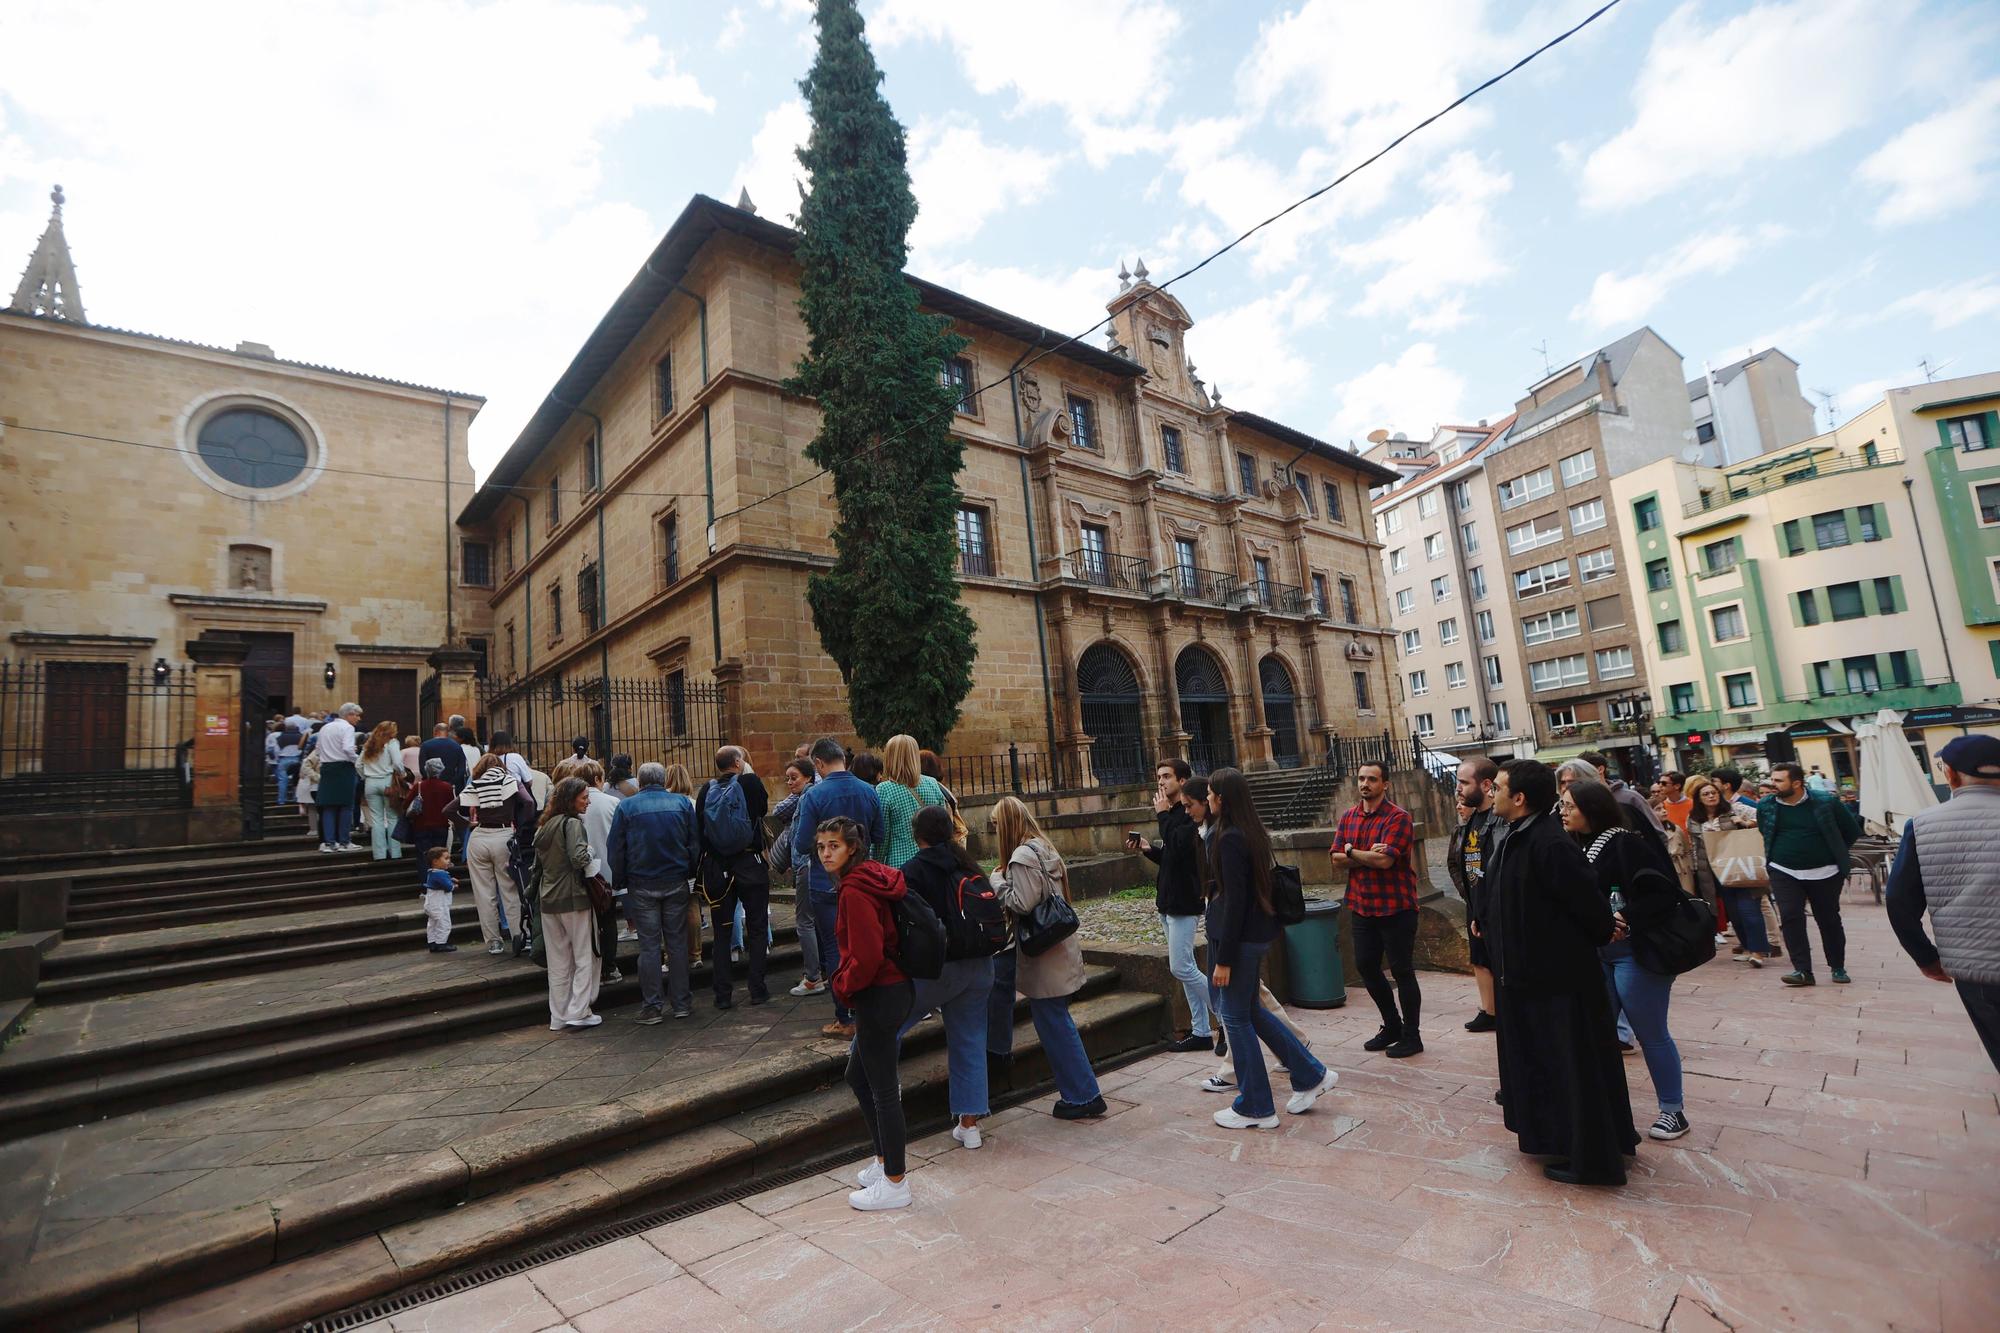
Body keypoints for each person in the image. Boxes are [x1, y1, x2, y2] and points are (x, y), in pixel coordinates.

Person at [1485, 759, 1638, 1186]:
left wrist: (1604, 927)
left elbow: (1587, 907)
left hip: (1558, 981)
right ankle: (1561, 1138)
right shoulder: (1522, 835)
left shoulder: (1549, 844)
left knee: (1574, 1069)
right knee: (1551, 1068)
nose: (1491, 793)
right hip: (1531, 980)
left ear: (1519, 797)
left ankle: (1593, 1159)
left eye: (1498, 787)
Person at [1204, 768, 1338, 1130]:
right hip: (1256, 933)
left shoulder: (1230, 837)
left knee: (1234, 1017)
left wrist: (1225, 959)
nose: (1207, 799)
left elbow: (1235, 901)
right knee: (1252, 1012)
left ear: (1223, 799)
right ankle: (1311, 1074)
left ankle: (1255, 1106)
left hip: (1241, 940)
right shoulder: (1249, 832)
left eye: (1211, 793)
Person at [1561, 776, 1691, 1142]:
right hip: (1598, 952)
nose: (1564, 812)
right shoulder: (1575, 843)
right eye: (1563, 805)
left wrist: (1626, 917)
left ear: (1592, 808)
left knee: (1650, 1032)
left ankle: (1673, 1110)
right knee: (1598, 1033)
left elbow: (1664, 893)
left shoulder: (1626, 843)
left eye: (1570, 805)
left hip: (1635, 952)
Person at [815, 816, 916, 1211]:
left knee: (884, 1090)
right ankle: (882, 1160)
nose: (826, 853)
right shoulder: (871, 877)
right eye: (822, 846)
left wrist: (842, 985)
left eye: (834, 846)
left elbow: (868, 954)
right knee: (857, 1075)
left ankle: (895, 1182)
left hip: (880, 993)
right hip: (892, 989)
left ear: (852, 848)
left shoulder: (854, 891)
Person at [1887, 734, 2000, 1071]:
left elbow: (1899, 901)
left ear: (1950, 775)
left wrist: (1925, 957)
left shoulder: (1923, 825)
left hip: (1976, 969)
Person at [991, 795, 1105, 1119]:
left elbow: (1022, 903)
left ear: (1008, 824)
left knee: (1055, 1026)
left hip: (1045, 956)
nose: (994, 831)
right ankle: (1080, 1092)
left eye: (997, 824)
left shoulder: (1021, 856)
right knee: (1057, 1023)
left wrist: (997, 882)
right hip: (1059, 948)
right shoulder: (1043, 845)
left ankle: (1084, 1095)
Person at [898, 805, 996, 1148]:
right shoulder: (968, 865)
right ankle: (970, 1125)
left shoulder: (912, 871)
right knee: (969, 1040)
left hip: (936, 968)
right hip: (980, 965)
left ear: (917, 835)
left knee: (885, 1026)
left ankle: (878, 1100)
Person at [791, 737, 884, 1039]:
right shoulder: (869, 791)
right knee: (863, 944)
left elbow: (803, 842)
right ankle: (865, 1011)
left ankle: (844, 1016)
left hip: (824, 881)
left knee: (834, 949)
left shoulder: (814, 796)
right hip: (862, 879)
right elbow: (879, 834)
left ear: (818, 764)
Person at [1330, 761, 1423, 1057]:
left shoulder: (1399, 818)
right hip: (1361, 904)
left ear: (1385, 784)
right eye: (1361, 778)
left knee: (1402, 970)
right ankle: (1391, 1025)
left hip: (1396, 906)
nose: (1365, 784)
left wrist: (1350, 851)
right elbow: (1335, 858)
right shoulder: (1348, 817)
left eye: (1372, 779)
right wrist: (1363, 853)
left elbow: (1385, 862)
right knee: (1366, 966)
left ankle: (1412, 1036)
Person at [1127, 757, 1213, 1053]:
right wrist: (1149, 850)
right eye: (1159, 777)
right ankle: (1201, 1031)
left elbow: (1178, 846)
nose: (1161, 782)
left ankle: (1230, 1013)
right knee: (1185, 967)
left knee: (1181, 967)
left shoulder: (1190, 813)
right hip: (1168, 899)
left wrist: (1162, 815)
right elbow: (1171, 858)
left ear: (1183, 780)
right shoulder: (1176, 813)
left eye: (1166, 776)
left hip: (1184, 902)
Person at [609, 762, 698, 1022]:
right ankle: (681, 1003)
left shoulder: (626, 806)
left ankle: (652, 1006)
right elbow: (694, 842)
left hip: (642, 882)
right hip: (675, 878)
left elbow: (616, 847)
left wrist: (620, 878)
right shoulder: (681, 804)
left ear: (640, 780)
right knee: (677, 944)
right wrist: (690, 870)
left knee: (649, 946)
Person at [1759, 761, 1861, 987]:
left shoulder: (1826, 802)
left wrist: (1832, 851)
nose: (1772, 784)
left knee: (1829, 919)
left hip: (1826, 871)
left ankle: (1837, 966)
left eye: (1778, 780)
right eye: (1772, 779)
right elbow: (1764, 830)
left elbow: (1851, 831)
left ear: (1796, 783)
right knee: (1790, 916)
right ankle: (1802, 970)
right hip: (1783, 870)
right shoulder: (1766, 805)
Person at [696, 745, 771, 1009]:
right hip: (750, 863)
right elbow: (762, 810)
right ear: (738, 762)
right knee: (758, 927)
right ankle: (757, 990)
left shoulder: (706, 790)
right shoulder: (750, 782)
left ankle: (722, 995)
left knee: (722, 934)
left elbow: (700, 830)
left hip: (719, 868)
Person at [533, 777, 602, 1032]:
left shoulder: (545, 826)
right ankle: (580, 1010)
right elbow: (578, 857)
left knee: (559, 962)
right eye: (584, 797)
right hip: (574, 897)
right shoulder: (572, 824)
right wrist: (592, 852)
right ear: (571, 799)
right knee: (585, 956)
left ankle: (559, 1016)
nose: (588, 801)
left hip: (548, 899)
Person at [1686, 776, 1773, 964]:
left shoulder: (1736, 809)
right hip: (1715, 870)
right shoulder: (1693, 819)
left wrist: (1746, 823)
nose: (1711, 796)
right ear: (1699, 799)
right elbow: (1694, 847)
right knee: (1734, 912)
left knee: (1748, 909)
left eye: (1714, 793)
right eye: (1706, 794)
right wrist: (1696, 870)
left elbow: (1764, 817)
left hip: (1742, 864)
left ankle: (1758, 952)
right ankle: (1748, 947)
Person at [1451, 757, 1506, 1034]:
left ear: (1486, 785)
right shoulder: (1471, 819)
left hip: (1494, 906)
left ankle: (1503, 1012)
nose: (1458, 789)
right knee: (1479, 958)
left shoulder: (1500, 819)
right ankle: (1489, 1011)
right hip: (1476, 902)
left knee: (1500, 961)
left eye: (1463, 782)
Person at [462, 754, 533, 955]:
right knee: (509, 890)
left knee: (484, 893)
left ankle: (494, 941)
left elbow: (451, 808)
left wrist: (465, 824)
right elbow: (528, 802)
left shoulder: (477, 783)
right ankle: (519, 935)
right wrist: (520, 827)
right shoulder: (509, 781)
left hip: (479, 837)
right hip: (503, 835)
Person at [768, 757, 826, 997]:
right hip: (815, 866)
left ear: (809, 777)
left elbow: (802, 838)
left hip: (807, 865)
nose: (790, 782)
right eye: (788, 778)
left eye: (794, 777)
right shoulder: (813, 795)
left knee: (804, 922)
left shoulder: (807, 798)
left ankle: (813, 977)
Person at [573, 759, 623, 985]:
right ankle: (609, 968)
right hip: (608, 872)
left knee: (586, 924)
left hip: (581, 872)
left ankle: (589, 969)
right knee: (609, 920)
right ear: (597, 779)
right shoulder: (613, 802)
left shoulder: (572, 804)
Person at [873, 734, 949, 868]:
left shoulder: (884, 790)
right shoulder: (932, 783)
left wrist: (876, 863)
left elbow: (882, 838)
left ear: (890, 758)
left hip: (901, 865)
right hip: (933, 862)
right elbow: (943, 824)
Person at [1577, 750, 1667, 835]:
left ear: (1600, 769)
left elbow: (1657, 833)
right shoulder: (1578, 801)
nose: (1579, 775)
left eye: (1584, 770)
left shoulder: (1630, 798)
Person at [314, 703, 365, 853]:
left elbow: (317, 749)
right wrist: (357, 760)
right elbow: (348, 749)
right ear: (349, 715)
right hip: (343, 768)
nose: (358, 718)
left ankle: (329, 842)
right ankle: (344, 841)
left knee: (328, 806)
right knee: (346, 806)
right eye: (356, 715)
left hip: (327, 767)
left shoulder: (325, 727)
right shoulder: (348, 728)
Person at [407, 757, 465, 876]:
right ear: (441, 770)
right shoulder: (447, 787)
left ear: (426, 770)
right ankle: (439, 882)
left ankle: (425, 887)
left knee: (423, 857)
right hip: (441, 827)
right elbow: (452, 807)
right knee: (440, 857)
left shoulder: (419, 786)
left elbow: (405, 804)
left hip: (421, 826)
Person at [358, 720, 405, 860]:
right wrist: (402, 773)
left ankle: (379, 854)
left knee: (376, 820)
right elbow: (397, 763)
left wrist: (365, 776)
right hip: (387, 782)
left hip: (370, 783)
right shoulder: (392, 743)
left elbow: (358, 764)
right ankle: (395, 852)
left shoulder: (369, 744)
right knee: (392, 817)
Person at [421, 845, 458, 954]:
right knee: (444, 923)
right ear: (436, 862)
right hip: (439, 905)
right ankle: (441, 943)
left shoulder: (432, 872)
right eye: (446, 858)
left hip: (431, 904)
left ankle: (432, 943)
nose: (448, 861)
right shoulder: (440, 874)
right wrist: (453, 885)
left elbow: (440, 881)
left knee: (432, 924)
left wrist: (449, 879)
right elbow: (448, 887)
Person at [420, 722, 468, 792]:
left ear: (435, 732)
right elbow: (462, 770)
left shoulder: (426, 745)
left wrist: (429, 781)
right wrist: (451, 783)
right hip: (450, 786)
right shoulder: (457, 746)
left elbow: (422, 767)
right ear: (448, 733)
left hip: (431, 786)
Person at [273, 715, 304, 806]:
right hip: (297, 759)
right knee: (297, 780)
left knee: (282, 781)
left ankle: (281, 800)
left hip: (283, 759)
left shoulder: (280, 737)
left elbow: (276, 750)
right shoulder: (300, 736)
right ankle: (296, 798)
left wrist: (277, 758)